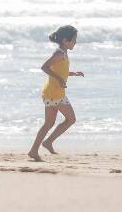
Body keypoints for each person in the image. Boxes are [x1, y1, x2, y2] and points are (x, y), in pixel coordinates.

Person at [28, 25, 84, 161]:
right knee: (70, 119)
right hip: (55, 93)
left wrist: (73, 74)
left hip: (53, 92)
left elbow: (60, 71)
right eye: (74, 40)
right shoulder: (59, 54)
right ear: (65, 40)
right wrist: (59, 79)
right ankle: (44, 144)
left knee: (49, 123)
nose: (75, 43)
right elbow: (44, 67)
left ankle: (37, 148)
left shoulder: (63, 53)